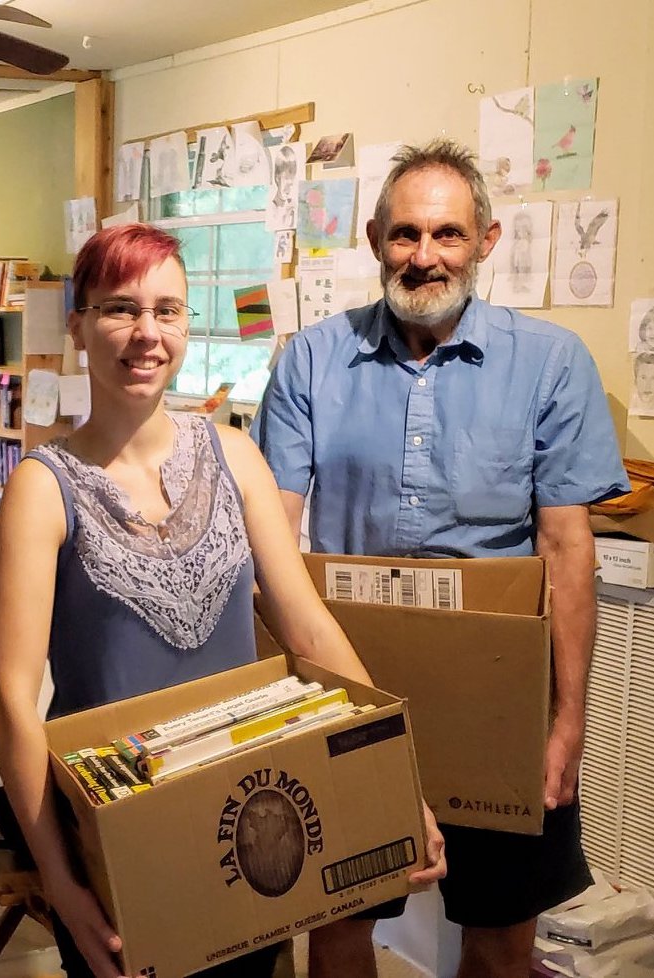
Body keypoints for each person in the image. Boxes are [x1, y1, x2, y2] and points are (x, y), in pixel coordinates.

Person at [0, 223, 444, 978]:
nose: (145, 334)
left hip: (250, 817)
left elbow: (307, 627)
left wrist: (398, 781)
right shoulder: (43, 487)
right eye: (119, 309)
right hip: (116, 835)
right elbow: (9, 699)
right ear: (77, 325)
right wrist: (60, 886)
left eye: (167, 311)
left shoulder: (232, 455)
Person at [253, 138, 628, 978]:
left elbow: (567, 551)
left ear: (485, 242)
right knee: (342, 925)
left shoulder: (550, 363)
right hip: (347, 690)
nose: (424, 257)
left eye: (447, 235)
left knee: (499, 938)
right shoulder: (311, 359)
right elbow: (270, 537)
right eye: (405, 234)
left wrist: (565, 723)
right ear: (373, 235)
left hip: (498, 696)